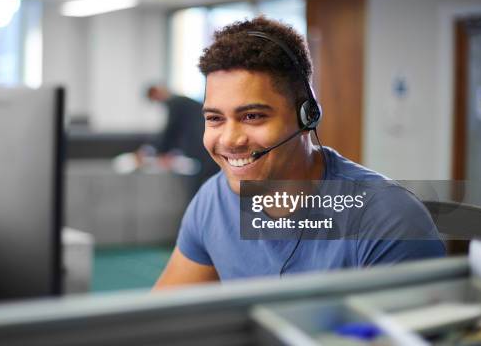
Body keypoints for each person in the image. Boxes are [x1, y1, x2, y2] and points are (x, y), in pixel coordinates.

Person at [154, 16, 445, 289]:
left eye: (253, 116)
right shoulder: (212, 200)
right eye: (215, 118)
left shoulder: (388, 218)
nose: (230, 140)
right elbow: (163, 318)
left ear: (308, 116)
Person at [141, 85, 219, 191]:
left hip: (200, 146)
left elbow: (170, 131)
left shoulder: (175, 103)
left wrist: (158, 151)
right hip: (205, 143)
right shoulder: (181, 102)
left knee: (198, 183)